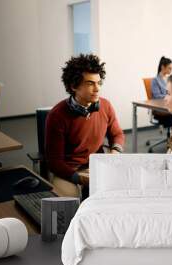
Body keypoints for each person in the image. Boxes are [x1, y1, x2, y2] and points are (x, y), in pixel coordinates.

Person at [45, 54, 125, 199]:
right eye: (90, 84)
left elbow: (117, 134)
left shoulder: (105, 106)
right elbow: (54, 162)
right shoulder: (56, 115)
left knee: (121, 193)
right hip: (68, 171)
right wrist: (80, 179)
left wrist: (114, 153)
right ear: (74, 86)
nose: (97, 89)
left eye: (99, 83)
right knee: (68, 201)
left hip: (97, 166)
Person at [150, 56, 172, 129]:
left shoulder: (169, 79)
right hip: (160, 107)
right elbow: (157, 96)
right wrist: (170, 96)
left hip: (169, 104)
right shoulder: (155, 80)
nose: (171, 70)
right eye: (169, 68)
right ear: (163, 67)